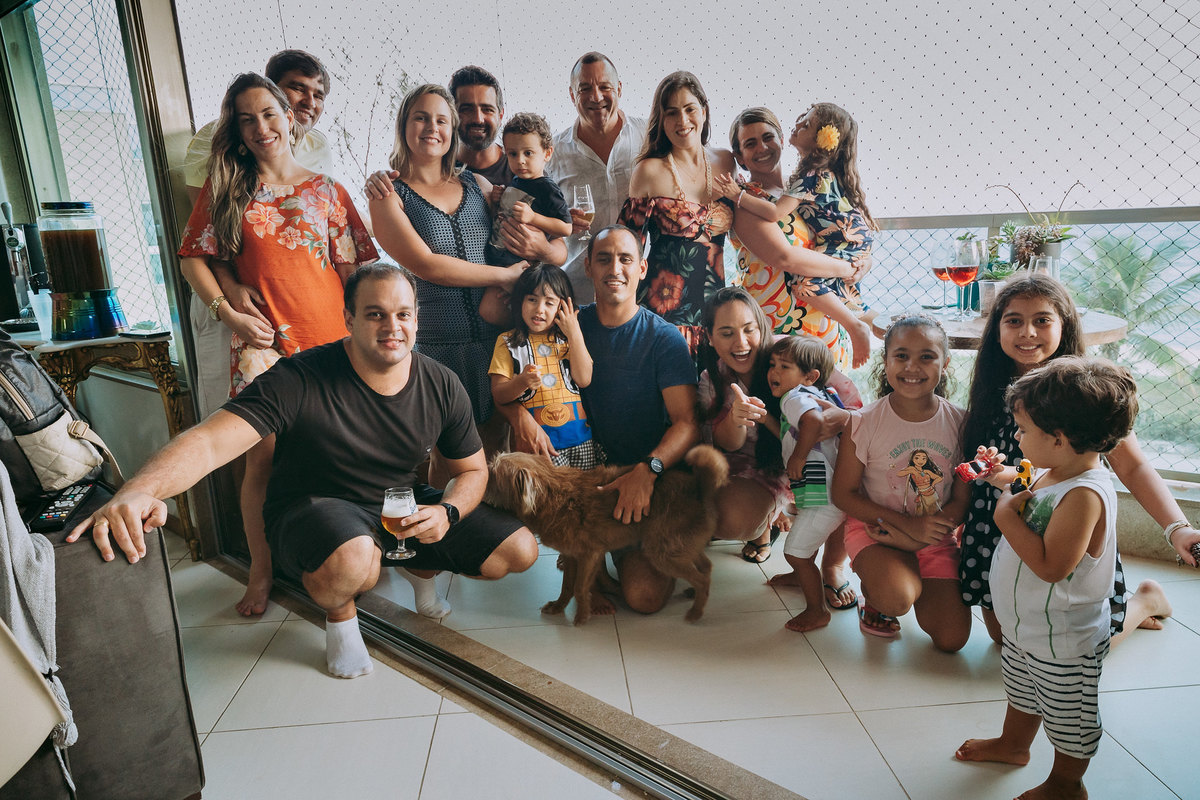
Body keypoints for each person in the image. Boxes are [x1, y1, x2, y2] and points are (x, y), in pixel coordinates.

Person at [68, 265, 538, 679]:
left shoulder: (440, 382)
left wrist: (449, 514)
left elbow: (471, 470)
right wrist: (140, 488)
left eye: (403, 314)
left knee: (517, 551)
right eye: (375, 314)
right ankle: (340, 614)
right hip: (314, 507)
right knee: (355, 560)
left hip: (396, 505)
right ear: (349, 319)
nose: (392, 326)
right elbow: (212, 439)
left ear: (417, 319)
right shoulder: (298, 377)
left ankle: (416, 563)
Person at [177, 73, 378, 618]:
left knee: (343, 457)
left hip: (333, 344)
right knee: (259, 466)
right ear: (238, 132)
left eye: (270, 113)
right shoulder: (228, 192)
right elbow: (196, 256)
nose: (261, 126)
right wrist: (228, 311)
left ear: (290, 118)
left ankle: (351, 557)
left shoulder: (329, 191)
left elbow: (356, 272)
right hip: (263, 345)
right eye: (247, 119)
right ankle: (260, 574)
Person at [959, 273, 1184, 648]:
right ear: (996, 328)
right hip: (997, 523)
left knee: (1078, 642)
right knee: (1005, 638)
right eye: (1014, 320)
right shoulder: (988, 385)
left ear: (1064, 324)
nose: (1027, 332)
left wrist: (1177, 528)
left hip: (1061, 525)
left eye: (1042, 320)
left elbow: (1133, 466)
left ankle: (1144, 602)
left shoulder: (1084, 390)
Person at [955, 357, 1139, 800]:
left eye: (1023, 430)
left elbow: (1052, 566)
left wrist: (1005, 518)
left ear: (1059, 439)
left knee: (1069, 717)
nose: (1017, 437)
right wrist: (995, 473)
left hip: (1064, 637)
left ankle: (1066, 783)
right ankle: (1014, 745)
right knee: (1022, 690)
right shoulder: (1054, 469)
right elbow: (1022, 481)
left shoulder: (1083, 495)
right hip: (1028, 625)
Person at [365, 85, 566, 477]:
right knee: (450, 462)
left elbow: (556, 249)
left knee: (503, 460)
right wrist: (505, 275)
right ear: (404, 125)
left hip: (499, 342)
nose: (431, 128)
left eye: (441, 120)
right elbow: (428, 265)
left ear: (453, 129)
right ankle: (444, 537)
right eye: (420, 118)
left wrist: (544, 248)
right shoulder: (389, 194)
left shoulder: (479, 186)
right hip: (442, 347)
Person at [183, 49, 334, 422]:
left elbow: (325, 243)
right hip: (236, 304)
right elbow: (212, 244)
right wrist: (230, 299)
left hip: (307, 313)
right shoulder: (217, 151)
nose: (308, 102)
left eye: (318, 94)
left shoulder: (319, 152)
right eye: (298, 89)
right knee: (234, 421)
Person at [572, 225, 699, 614]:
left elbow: (687, 423)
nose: (615, 268)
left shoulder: (663, 338)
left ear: (642, 268)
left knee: (644, 598)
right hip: (591, 474)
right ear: (588, 267)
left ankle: (658, 540)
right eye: (604, 258)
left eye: (625, 259)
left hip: (648, 476)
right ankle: (590, 554)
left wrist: (649, 470)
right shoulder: (571, 326)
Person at [830, 315, 972, 651]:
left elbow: (962, 499)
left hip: (932, 536)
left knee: (952, 640)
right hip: (877, 531)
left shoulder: (961, 422)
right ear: (886, 361)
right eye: (901, 355)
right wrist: (908, 526)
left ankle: (908, 573)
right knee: (896, 598)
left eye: (927, 356)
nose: (913, 366)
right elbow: (843, 494)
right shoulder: (863, 422)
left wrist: (926, 533)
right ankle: (876, 598)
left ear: (946, 363)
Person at [718, 103, 876, 368]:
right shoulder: (746, 201)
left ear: (781, 139)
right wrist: (847, 267)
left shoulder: (805, 190)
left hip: (824, 324)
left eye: (768, 137)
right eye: (750, 143)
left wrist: (864, 262)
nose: (762, 148)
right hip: (779, 328)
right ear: (740, 156)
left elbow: (836, 235)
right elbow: (785, 257)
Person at [618, 71, 736, 353]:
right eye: (672, 113)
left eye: (689, 109)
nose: (682, 121)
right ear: (662, 121)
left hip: (715, 313)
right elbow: (624, 251)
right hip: (664, 314)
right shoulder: (648, 171)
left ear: (704, 112)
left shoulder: (727, 162)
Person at [765, 334, 857, 631]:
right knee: (806, 540)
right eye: (772, 364)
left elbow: (813, 422)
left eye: (784, 366)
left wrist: (799, 457)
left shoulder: (795, 397)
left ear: (809, 375)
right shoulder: (822, 392)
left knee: (794, 551)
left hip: (824, 496)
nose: (774, 373)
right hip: (825, 489)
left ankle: (817, 611)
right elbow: (791, 430)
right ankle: (800, 574)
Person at [695, 287, 790, 564]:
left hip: (788, 463)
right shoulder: (711, 378)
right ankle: (765, 516)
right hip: (737, 466)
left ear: (761, 327)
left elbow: (840, 402)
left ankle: (768, 520)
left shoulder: (790, 356)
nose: (741, 342)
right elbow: (728, 444)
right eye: (727, 333)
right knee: (710, 515)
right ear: (710, 338)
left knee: (732, 518)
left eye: (749, 329)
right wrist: (736, 418)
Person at [548, 52, 647, 303]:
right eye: (584, 88)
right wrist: (559, 222)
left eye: (605, 87)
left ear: (619, 89)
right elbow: (537, 222)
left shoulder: (649, 138)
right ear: (572, 95)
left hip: (645, 292)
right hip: (578, 293)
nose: (596, 97)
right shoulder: (552, 153)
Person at [488, 264, 598, 468]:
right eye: (532, 300)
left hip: (582, 441)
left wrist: (574, 332)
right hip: (537, 447)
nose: (539, 309)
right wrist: (521, 382)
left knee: (583, 496)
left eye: (549, 303)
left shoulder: (570, 339)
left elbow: (584, 379)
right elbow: (499, 394)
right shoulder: (508, 342)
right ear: (519, 300)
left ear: (562, 307)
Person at [478, 113, 573, 325]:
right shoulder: (517, 181)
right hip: (501, 260)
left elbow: (565, 227)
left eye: (528, 153)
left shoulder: (547, 188)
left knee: (490, 311)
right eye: (513, 154)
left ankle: (524, 335)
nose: (520, 160)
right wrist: (498, 200)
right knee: (491, 310)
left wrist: (534, 217)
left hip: (522, 265)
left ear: (547, 153)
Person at [449, 64, 511, 185]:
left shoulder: (525, 169)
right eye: (467, 109)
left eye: (487, 109)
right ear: (451, 113)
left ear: (500, 115)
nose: (478, 119)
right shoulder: (435, 167)